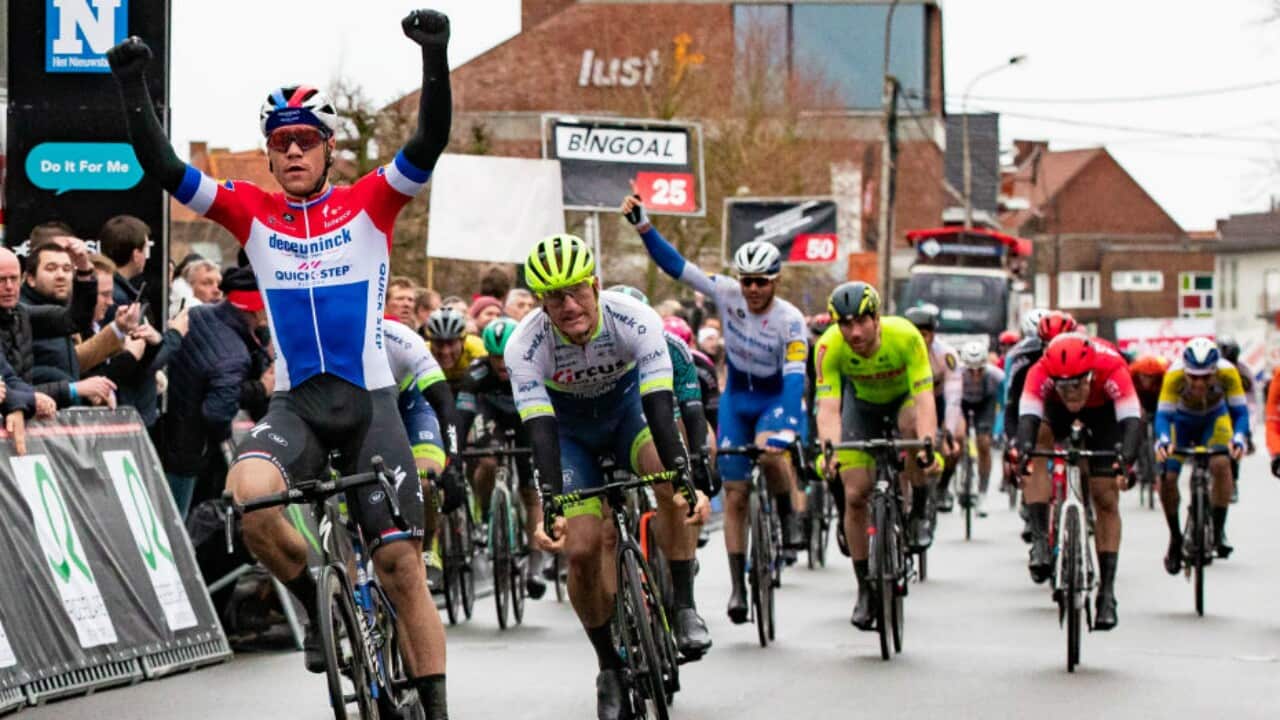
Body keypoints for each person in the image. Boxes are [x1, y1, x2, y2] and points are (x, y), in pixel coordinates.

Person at [107, 8, 454, 715]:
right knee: (252, 499)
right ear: (268, 155)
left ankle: (436, 706)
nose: (293, 151)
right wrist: (131, 84)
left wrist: (435, 57)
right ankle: (318, 595)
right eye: (280, 142)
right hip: (297, 403)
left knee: (399, 566)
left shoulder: (371, 202)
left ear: (328, 150)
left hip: (370, 402)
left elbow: (431, 137)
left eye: (305, 140)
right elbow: (164, 164)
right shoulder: (250, 211)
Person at [507, 235, 710, 718]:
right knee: (579, 549)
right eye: (554, 296)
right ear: (541, 302)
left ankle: (683, 605)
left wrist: (685, 478)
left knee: (667, 482)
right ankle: (609, 668)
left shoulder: (635, 318)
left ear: (596, 285)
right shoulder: (525, 346)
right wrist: (552, 504)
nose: (569, 305)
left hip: (629, 417)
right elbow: (541, 433)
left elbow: (661, 409)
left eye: (577, 290)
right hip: (569, 434)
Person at [623, 195, 808, 620]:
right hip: (737, 398)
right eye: (747, 281)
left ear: (775, 282)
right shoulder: (726, 293)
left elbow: (795, 381)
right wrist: (644, 225)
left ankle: (788, 514)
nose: (754, 289)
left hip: (774, 396)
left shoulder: (791, 320)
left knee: (772, 452)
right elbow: (677, 267)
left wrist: (786, 426)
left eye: (762, 281)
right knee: (737, 493)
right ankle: (739, 586)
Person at [813, 281, 940, 629]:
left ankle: (920, 504)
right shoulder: (829, 346)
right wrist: (830, 452)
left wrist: (928, 444)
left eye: (861, 322)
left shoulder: (907, 336)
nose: (854, 332)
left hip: (903, 403)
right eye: (845, 324)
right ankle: (865, 589)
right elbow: (829, 408)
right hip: (862, 407)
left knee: (913, 427)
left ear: (877, 318)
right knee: (855, 494)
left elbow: (926, 398)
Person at [1014, 334, 1141, 630]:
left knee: (1105, 495)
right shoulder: (1041, 371)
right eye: (1063, 387)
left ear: (1090, 375)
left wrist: (1126, 461)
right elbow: (1027, 417)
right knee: (1035, 448)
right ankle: (1040, 542)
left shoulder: (1112, 367)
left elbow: (1132, 421)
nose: (1071, 394)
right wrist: (1022, 452)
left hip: (1103, 414)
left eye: (1076, 386)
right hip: (1053, 413)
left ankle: (1107, 593)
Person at [160, 268, 271, 516]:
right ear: (258, 310)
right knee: (177, 521)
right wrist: (261, 388)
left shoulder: (198, 313)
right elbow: (217, 412)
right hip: (189, 449)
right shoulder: (234, 355)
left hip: (166, 429)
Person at [454, 316, 546, 597]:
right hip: (492, 416)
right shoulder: (476, 374)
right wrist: (455, 452)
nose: (500, 364)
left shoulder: (531, 365)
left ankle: (535, 560)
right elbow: (463, 416)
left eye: (505, 357)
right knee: (488, 461)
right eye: (495, 358)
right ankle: (483, 519)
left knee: (531, 489)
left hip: (524, 418)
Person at [1153, 338, 1248, 570]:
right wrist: (1164, 440)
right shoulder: (1174, 375)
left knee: (1221, 464)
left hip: (1214, 419)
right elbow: (1163, 416)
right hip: (1181, 423)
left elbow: (1241, 413)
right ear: (1185, 371)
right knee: (1167, 477)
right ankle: (1175, 538)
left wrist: (1239, 438)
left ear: (1216, 371)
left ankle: (1217, 530)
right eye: (1193, 376)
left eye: (1206, 377)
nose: (1199, 383)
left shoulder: (1229, 373)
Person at [21, 239, 125, 390]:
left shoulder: (62, 308)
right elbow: (24, 377)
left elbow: (78, 319)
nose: (61, 275)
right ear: (30, 278)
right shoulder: (22, 312)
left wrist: (84, 268)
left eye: (67, 269)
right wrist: (74, 388)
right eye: (51, 269)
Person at [904, 303, 961, 519]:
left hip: (940, 401)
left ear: (933, 335)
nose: (920, 339)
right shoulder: (899, 352)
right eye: (914, 334)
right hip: (909, 401)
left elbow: (954, 398)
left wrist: (949, 432)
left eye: (925, 334)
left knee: (958, 439)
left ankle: (944, 487)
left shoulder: (946, 355)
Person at [958, 340, 1005, 516]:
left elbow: (1004, 403)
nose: (976, 374)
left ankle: (982, 491)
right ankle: (962, 475)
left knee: (984, 444)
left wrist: (1000, 428)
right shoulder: (957, 374)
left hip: (985, 404)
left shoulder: (996, 376)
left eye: (980, 369)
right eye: (971, 370)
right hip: (962, 403)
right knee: (958, 437)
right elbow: (951, 401)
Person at [425, 307, 487, 394]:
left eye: (451, 343)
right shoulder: (423, 353)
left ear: (463, 340)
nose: (445, 351)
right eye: (439, 343)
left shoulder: (479, 350)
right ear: (430, 341)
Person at [97, 214, 153, 310]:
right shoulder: (119, 299)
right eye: (146, 249)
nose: (146, 257)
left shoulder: (109, 289)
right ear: (136, 255)